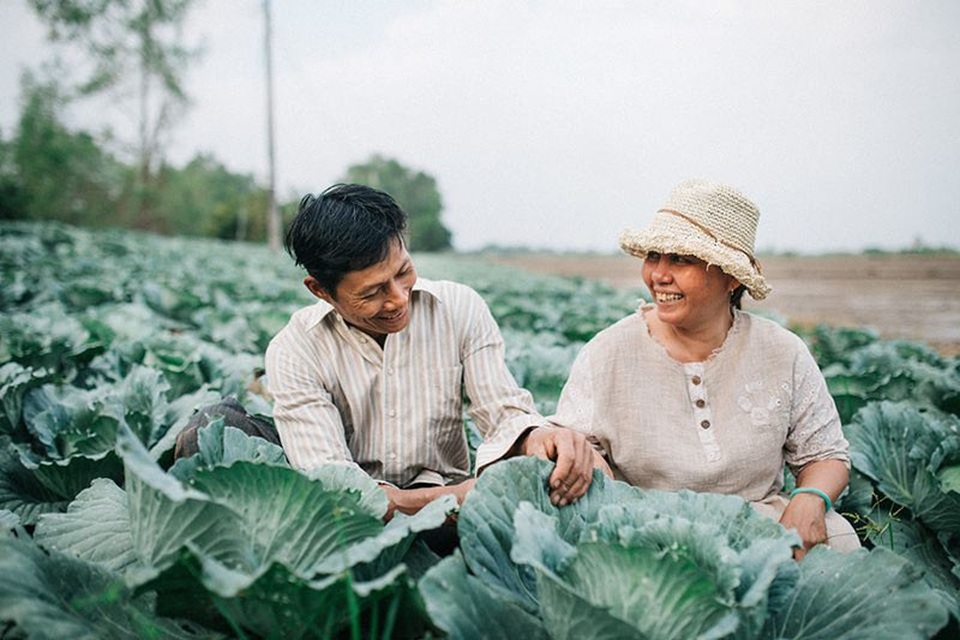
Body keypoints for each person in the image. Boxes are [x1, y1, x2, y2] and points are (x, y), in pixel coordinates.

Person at [178, 183, 604, 530]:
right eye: (372, 292)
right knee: (211, 428)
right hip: (346, 524)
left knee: (557, 472)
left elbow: (502, 412)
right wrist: (468, 495)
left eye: (403, 272)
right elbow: (335, 488)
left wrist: (536, 437)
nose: (399, 299)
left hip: (447, 504)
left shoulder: (459, 307)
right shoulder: (295, 348)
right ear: (321, 290)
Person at [547, 178, 860, 560]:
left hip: (760, 529)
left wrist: (810, 498)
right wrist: (591, 468)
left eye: (680, 259)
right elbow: (576, 450)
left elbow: (825, 455)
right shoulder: (608, 352)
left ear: (731, 277)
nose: (658, 275)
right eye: (653, 257)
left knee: (840, 540)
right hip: (645, 537)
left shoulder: (783, 352)